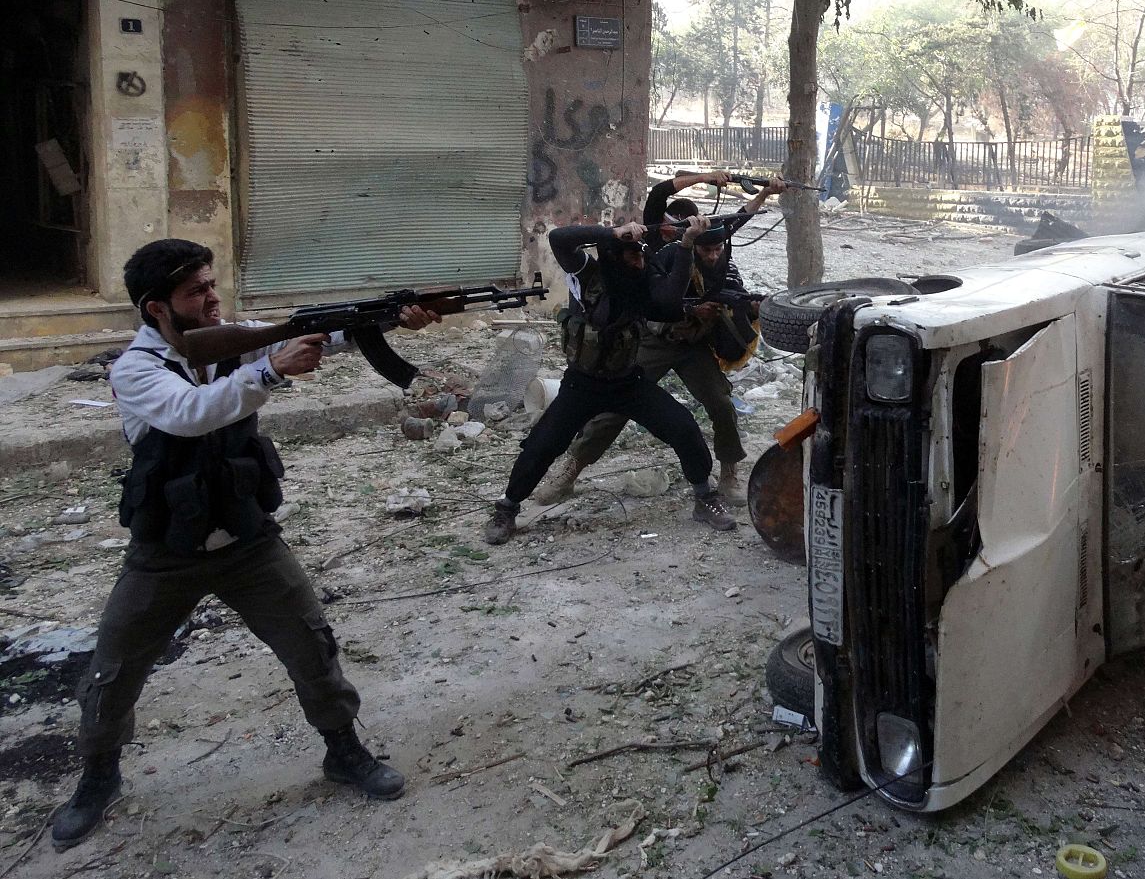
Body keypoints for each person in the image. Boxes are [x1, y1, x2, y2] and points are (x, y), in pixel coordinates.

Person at [52, 239, 439, 852]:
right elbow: (191, 412)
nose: (212, 298)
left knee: (311, 645)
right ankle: (99, 777)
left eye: (211, 284)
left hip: (246, 536)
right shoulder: (135, 369)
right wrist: (271, 371)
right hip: (167, 551)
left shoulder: (233, 339)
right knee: (114, 670)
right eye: (196, 292)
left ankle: (343, 751)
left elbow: (327, 335)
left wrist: (388, 319)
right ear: (156, 308)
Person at [534, 178, 785, 508]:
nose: (713, 255)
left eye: (717, 249)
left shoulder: (720, 257)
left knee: (721, 403)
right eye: (706, 250)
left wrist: (765, 192)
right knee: (613, 408)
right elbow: (658, 299)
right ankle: (571, 470)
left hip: (692, 344)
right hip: (654, 341)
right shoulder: (664, 254)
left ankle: (729, 472)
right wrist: (691, 309)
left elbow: (740, 216)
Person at [483, 214, 731, 544]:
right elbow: (559, 239)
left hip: (627, 382)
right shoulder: (588, 273)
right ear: (614, 254)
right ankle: (507, 508)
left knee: (683, 427)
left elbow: (670, 302)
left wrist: (686, 244)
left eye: (641, 255)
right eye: (632, 255)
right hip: (583, 384)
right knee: (543, 444)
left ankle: (704, 497)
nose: (639, 261)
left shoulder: (642, 281)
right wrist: (612, 232)